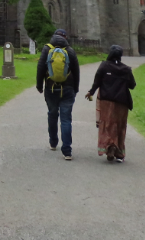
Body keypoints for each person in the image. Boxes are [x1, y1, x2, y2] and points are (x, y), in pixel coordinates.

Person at [85, 45, 136, 163]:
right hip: (122, 102)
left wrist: (91, 92)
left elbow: (97, 81)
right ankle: (119, 153)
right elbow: (132, 85)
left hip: (106, 101)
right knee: (119, 125)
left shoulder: (104, 65)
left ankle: (109, 147)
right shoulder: (126, 69)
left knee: (107, 124)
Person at [36, 28, 80, 160]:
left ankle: (53, 142)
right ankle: (67, 151)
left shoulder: (46, 49)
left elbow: (40, 68)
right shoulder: (70, 51)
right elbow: (76, 71)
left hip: (50, 88)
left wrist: (39, 85)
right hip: (67, 89)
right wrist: (75, 88)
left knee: (52, 114)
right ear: (65, 37)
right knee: (66, 119)